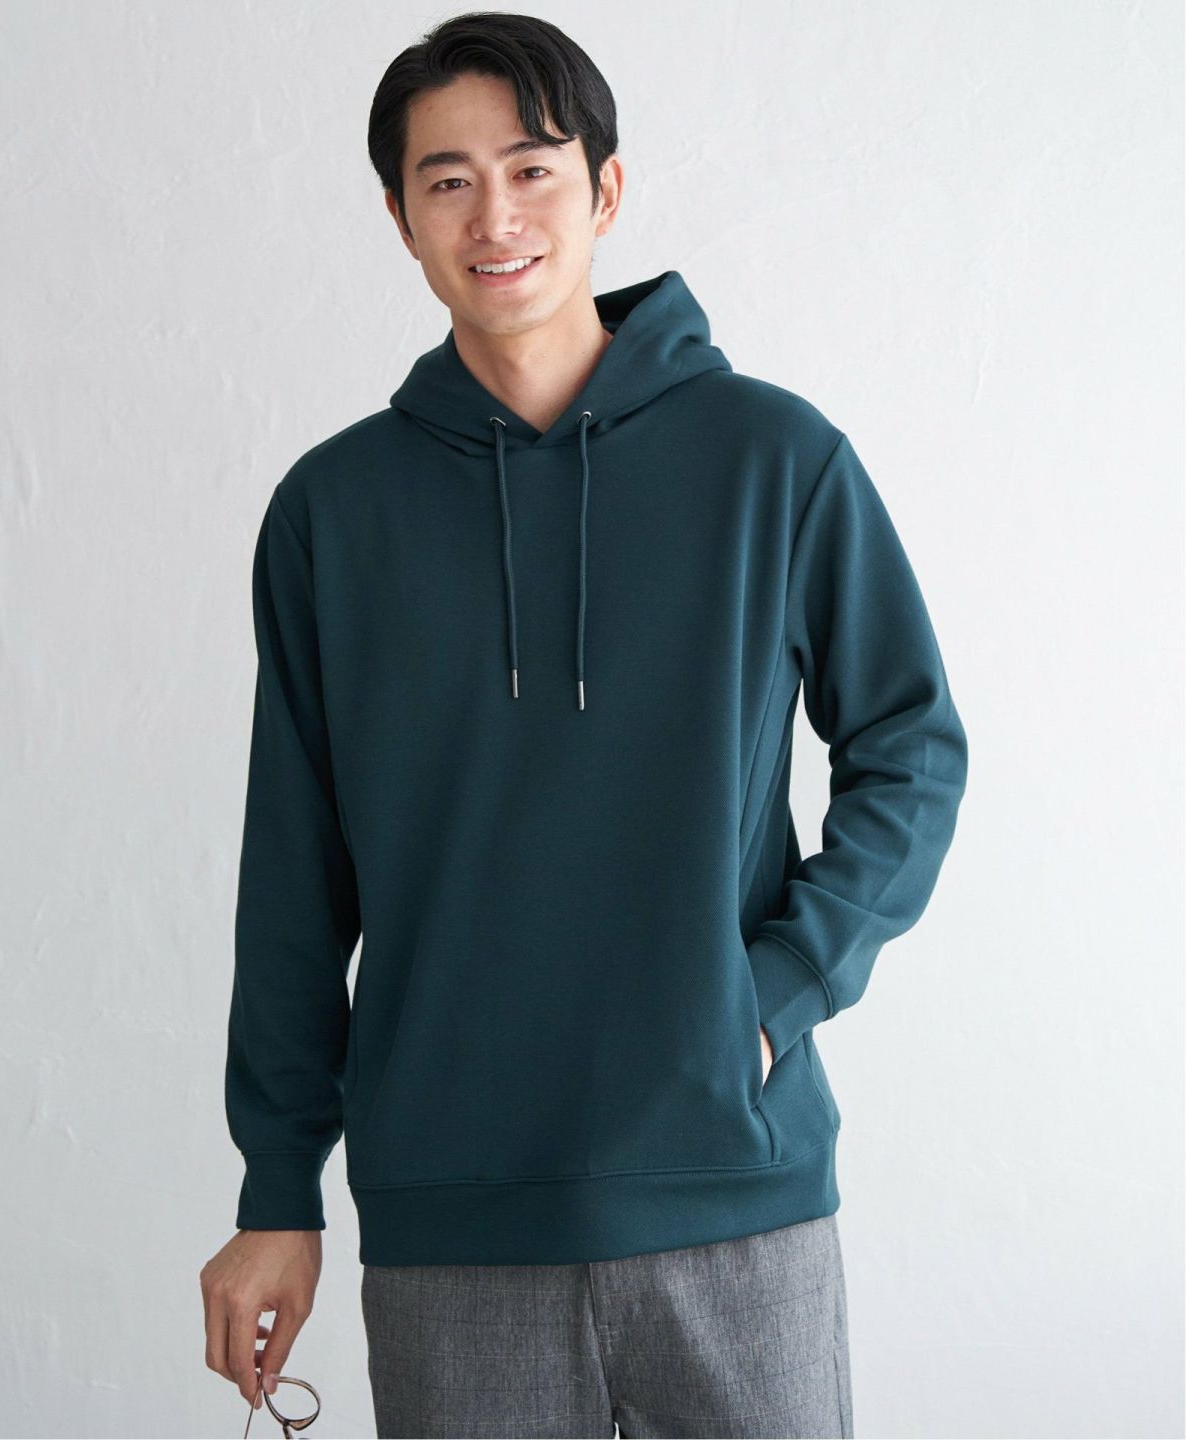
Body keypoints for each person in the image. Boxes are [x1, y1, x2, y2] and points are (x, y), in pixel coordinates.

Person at [199, 13, 969, 1438]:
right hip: (453, 1221)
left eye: (533, 170)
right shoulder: (332, 514)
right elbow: (293, 877)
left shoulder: (774, 459)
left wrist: (778, 991)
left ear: (604, 192)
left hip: (732, 1192)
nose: (495, 217)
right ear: (400, 219)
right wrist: (276, 1189)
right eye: (447, 181)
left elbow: (912, 749)